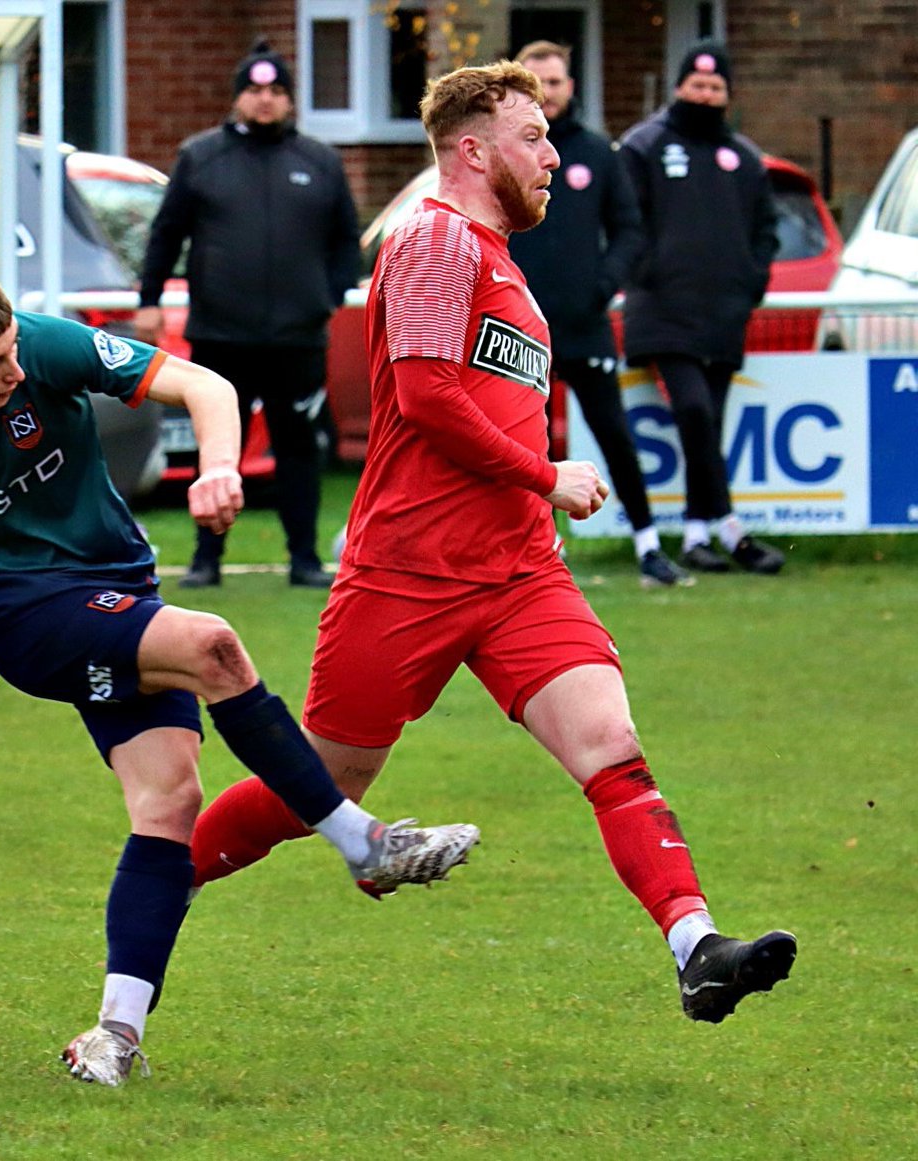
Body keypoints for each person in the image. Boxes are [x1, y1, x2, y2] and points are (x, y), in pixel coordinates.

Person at [0, 261, 477, 1088]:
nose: (13, 373)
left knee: (170, 802)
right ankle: (363, 843)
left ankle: (113, 1036)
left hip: (117, 591)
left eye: (12, 351)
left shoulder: (39, 347)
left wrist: (218, 466)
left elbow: (206, 387)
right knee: (213, 646)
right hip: (26, 618)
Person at [187, 61, 797, 1025]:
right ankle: (162, 881)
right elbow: (428, 395)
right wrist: (548, 473)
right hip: (409, 571)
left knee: (612, 746)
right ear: (472, 150)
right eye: (533, 138)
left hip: (518, 571)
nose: (554, 156)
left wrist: (534, 491)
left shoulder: (499, 254)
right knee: (325, 780)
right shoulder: (434, 238)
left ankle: (697, 945)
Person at [135, 39, 361, 589]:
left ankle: (304, 559)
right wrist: (148, 300)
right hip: (221, 334)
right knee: (218, 449)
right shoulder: (201, 156)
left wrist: (323, 299)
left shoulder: (319, 161)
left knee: (298, 449)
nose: (265, 100)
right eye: (255, 90)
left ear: (289, 100)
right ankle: (206, 558)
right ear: (239, 98)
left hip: (297, 339)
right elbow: (167, 236)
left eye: (276, 91)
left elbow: (346, 243)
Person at [508, 42, 689, 589]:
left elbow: (631, 230)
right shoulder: (501, 153)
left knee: (613, 433)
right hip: (513, 330)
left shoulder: (594, 152)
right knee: (521, 447)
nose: (547, 92)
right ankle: (527, 555)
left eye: (555, 82)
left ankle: (648, 545)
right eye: (533, 82)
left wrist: (603, 283)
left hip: (583, 324)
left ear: (570, 86)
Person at [619, 42, 785, 574]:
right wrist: (648, 273)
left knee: (709, 423)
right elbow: (625, 222)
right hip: (664, 309)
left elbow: (765, 232)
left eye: (716, 89)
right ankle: (731, 529)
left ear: (728, 96)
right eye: (697, 86)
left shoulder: (745, 158)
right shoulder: (645, 146)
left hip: (723, 312)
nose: (705, 95)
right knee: (693, 410)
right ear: (678, 88)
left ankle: (696, 534)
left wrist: (750, 283)